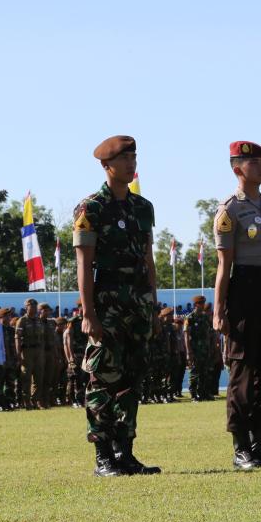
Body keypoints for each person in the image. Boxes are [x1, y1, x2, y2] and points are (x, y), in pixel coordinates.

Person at [73, 135, 160, 476]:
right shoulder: (90, 208)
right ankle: (104, 457)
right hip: (106, 304)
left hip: (137, 304)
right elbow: (84, 265)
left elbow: (149, 262)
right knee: (102, 380)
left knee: (132, 380)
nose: (131, 164)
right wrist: (88, 313)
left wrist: (152, 308)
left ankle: (126, 453)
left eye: (134, 157)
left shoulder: (142, 208)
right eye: (125, 159)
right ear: (107, 166)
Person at [213, 140, 261, 469]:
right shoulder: (229, 210)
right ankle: (241, 446)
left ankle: (260, 443)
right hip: (244, 289)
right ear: (237, 169)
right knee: (243, 369)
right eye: (253, 162)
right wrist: (219, 310)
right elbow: (223, 266)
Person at [15, 298, 46, 410]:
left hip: (38, 351)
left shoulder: (39, 320)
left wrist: (42, 350)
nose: (33, 307)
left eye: (34, 305)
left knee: (39, 377)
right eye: (30, 305)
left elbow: (42, 337)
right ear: (26, 307)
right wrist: (19, 354)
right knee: (26, 377)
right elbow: (17, 338)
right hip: (27, 351)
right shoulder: (22, 321)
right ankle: (26, 401)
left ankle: (35, 400)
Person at [184, 295, 212, 402]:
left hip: (204, 349)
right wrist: (188, 351)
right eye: (201, 303)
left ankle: (203, 393)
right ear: (196, 304)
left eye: (203, 303)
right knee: (194, 372)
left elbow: (208, 333)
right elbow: (186, 335)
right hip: (194, 350)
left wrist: (209, 347)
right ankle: (193, 395)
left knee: (204, 372)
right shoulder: (189, 318)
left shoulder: (205, 317)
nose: (202, 305)